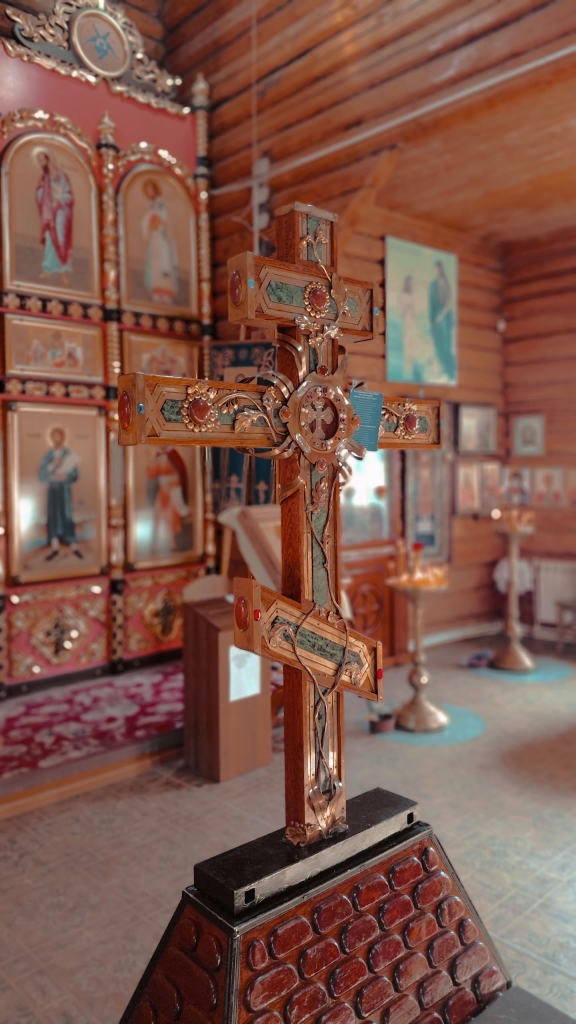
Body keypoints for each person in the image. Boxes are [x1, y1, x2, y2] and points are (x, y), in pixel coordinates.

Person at [38, 427, 82, 560]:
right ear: (51, 439)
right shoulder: (49, 455)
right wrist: (52, 465)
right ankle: (54, 544)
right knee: (53, 514)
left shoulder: (68, 454)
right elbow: (41, 474)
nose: (57, 439)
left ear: (63, 438)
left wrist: (66, 475)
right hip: (53, 489)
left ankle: (72, 543)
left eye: (59, 436)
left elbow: (75, 474)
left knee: (67, 513)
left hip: (64, 489)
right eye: (54, 437)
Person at [36, 151, 73, 285]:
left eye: (43, 160)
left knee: (61, 239)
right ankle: (48, 269)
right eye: (40, 161)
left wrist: (60, 198)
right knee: (49, 239)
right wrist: (45, 193)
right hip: (49, 213)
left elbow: (69, 195)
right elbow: (40, 192)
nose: (42, 163)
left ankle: (63, 271)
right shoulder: (44, 178)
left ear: (49, 160)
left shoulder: (62, 177)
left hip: (60, 213)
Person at [146, 448, 190, 554]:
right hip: (162, 492)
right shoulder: (158, 457)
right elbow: (152, 474)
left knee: (170, 517)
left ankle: (172, 542)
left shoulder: (174, 455)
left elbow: (179, 475)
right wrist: (151, 460)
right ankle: (159, 542)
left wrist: (170, 485)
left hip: (172, 492)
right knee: (159, 516)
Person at [141, 178, 178, 305]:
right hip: (154, 239)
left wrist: (159, 221)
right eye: (147, 190)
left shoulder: (163, 204)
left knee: (165, 265)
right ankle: (156, 292)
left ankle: (167, 294)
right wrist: (149, 224)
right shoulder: (149, 206)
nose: (150, 192)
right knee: (155, 265)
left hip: (163, 238)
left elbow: (168, 220)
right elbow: (145, 221)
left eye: (151, 189)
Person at [428, 260, 455, 380]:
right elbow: (431, 302)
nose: (437, 271)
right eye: (435, 269)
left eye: (438, 269)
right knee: (437, 343)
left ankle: (448, 370)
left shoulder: (446, 283)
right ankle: (440, 368)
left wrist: (441, 316)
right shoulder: (433, 284)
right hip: (435, 318)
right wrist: (432, 319)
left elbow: (449, 303)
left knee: (445, 344)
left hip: (445, 317)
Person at [399, 275, 416, 379]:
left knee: (412, 345)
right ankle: (406, 369)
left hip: (412, 322)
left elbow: (416, 311)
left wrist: (412, 309)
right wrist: (407, 308)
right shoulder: (403, 296)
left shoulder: (413, 296)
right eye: (410, 282)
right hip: (406, 321)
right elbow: (401, 310)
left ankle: (411, 369)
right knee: (406, 345)